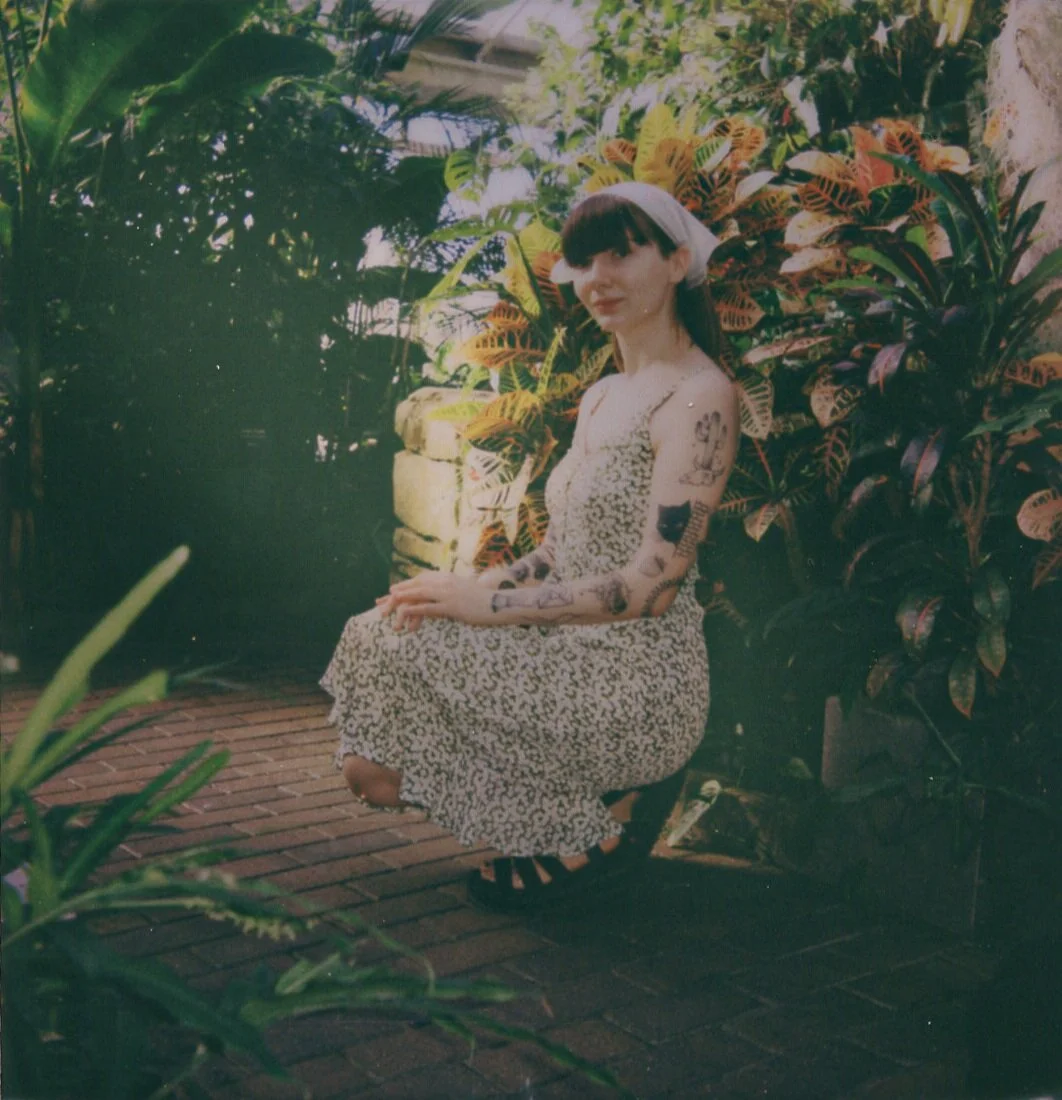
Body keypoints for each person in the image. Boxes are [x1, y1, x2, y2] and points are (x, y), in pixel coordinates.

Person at [321, 181, 740, 911]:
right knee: (382, 640)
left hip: (639, 679)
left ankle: (608, 808)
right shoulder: (606, 394)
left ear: (677, 263)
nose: (597, 279)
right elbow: (558, 547)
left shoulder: (700, 398)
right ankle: (586, 814)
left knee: (390, 747)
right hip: (568, 643)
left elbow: (649, 588)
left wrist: (485, 609)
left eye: (621, 252)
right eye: (584, 260)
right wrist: (465, 588)